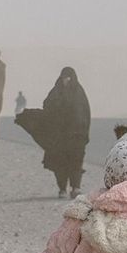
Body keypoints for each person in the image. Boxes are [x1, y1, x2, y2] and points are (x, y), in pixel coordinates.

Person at [41, 67, 91, 198]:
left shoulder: (79, 92)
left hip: (76, 135)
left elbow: (85, 113)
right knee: (59, 162)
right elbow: (47, 106)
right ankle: (62, 189)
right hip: (59, 135)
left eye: (69, 77)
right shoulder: (56, 92)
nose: (66, 80)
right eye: (64, 77)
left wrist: (85, 132)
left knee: (76, 161)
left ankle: (76, 188)